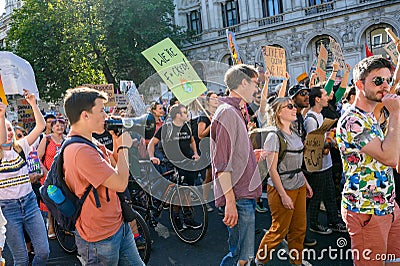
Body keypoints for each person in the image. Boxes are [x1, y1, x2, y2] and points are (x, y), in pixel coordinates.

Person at [62, 87, 144, 265]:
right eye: (101, 110)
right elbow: (121, 183)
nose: (106, 116)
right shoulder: (80, 151)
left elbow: (115, 165)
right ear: (85, 115)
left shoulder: (90, 141)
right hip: (99, 237)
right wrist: (123, 147)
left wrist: (117, 142)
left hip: (118, 225)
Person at [337, 55, 400, 266]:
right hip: (366, 210)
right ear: (359, 85)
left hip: (387, 205)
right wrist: (396, 115)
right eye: (378, 81)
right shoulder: (352, 121)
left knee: (393, 261)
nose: (385, 85)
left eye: (387, 80)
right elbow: (389, 157)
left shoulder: (370, 115)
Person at [210, 64, 262, 266]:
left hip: (242, 195)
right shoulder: (228, 112)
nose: (257, 89)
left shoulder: (233, 111)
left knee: (243, 256)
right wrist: (230, 202)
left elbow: (231, 154)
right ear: (243, 82)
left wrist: (249, 155)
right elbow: (221, 164)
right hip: (239, 198)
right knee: (240, 257)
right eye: (255, 84)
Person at [255, 97, 313, 266]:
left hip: (299, 185)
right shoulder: (273, 136)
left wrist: (305, 184)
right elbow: (272, 170)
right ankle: (260, 260)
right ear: (279, 112)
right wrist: (283, 195)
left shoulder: (294, 132)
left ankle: (297, 261)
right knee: (279, 230)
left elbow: (297, 164)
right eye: (289, 106)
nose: (294, 108)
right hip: (282, 188)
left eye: (293, 106)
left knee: (299, 228)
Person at [0, 90, 49, 265]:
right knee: (20, 259)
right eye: (6, 130)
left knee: (43, 253)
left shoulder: (21, 147)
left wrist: (33, 104)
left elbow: (40, 127)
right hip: (8, 209)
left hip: (29, 204)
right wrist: (1, 116)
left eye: (10, 129)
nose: (10, 133)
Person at [148, 104, 202, 230]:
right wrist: (152, 156)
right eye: (184, 112)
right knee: (177, 192)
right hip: (172, 164)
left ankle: (188, 218)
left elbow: (192, 140)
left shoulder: (186, 126)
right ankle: (176, 217)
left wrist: (195, 153)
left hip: (187, 162)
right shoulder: (166, 128)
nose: (187, 114)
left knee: (187, 190)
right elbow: (152, 143)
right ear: (177, 115)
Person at [304, 86, 346, 234]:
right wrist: (330, 142)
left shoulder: (320, 115)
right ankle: (314, 224)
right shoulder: (310, 119)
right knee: (316, 196)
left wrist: (329, 136)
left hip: (325, 164)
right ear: (317, 99)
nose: (328, 97)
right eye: (325, 95)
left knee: (329, 194)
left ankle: (334, 221)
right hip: (318, 166)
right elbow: (313, 145)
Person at [37, 118, 66, 239]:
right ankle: (51, 227)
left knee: (64, 199)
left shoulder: (67, 139)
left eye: (61, 125)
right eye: (56, 125)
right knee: (50, 202)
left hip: (63, 176)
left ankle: (65, 225)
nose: (59, 127)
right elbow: (38, 157)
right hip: (48, 175)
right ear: (52, 127)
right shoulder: (47, 139)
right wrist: (44, 171)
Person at [198, 91, 219, 212]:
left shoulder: (218, 112)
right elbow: (200, 135)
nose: (216, 99)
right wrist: (211, 124)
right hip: (207, 147)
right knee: (209, 175)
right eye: (214, 98)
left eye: (217, 97)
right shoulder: (203, 116)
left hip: (218, 145)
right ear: (208, 101)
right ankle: (204, 199)